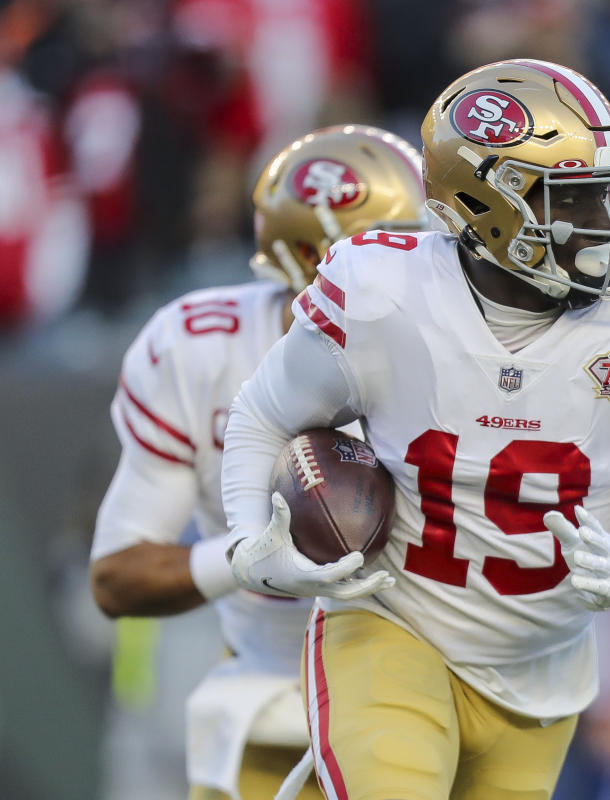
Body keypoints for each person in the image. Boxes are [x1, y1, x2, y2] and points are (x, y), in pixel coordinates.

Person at [220, 59, 610, 800]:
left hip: (541, 676)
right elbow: (263, 415)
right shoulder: (384, 295)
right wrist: (249, 546)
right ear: (487, 204)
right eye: (579, 200)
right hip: (394, 625)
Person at [89, 124, 428, 800]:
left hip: (436, 690)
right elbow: (117, 576)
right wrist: (250, 556)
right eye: (402, 249)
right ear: (312, 256)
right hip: (270, 693)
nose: (431, 272)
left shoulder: (467, 352)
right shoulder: (199, 349)